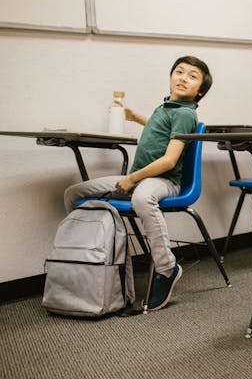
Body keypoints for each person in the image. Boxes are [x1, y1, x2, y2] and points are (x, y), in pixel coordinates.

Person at [64, 55, 212, 311]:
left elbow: (168, 161)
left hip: (164, 181)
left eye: (192, 76)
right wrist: (136, 118)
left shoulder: (186, 113)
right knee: (74, 192)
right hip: (141, 177)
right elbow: (162, 127)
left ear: (200, 91)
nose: (183, 78)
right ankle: (90, 255)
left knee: (142, 198)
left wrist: (132, 178)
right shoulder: (166, 106)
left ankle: (167, 268)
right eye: (179, 71)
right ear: (170, 77)